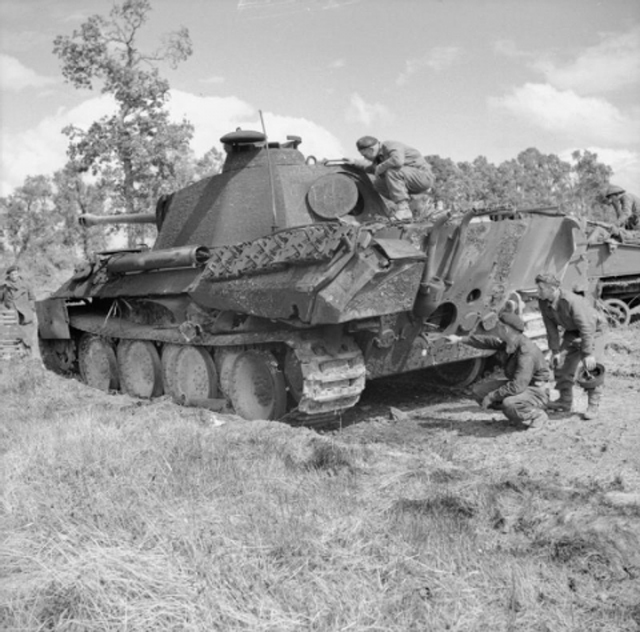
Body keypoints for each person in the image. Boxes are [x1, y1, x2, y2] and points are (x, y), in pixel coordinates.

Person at [446, 312, 551, 428]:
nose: (496, 328)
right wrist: (459, 339)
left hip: (535, 390)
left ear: (505, 329)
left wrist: (492, 396)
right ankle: (515, 413)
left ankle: (536, 414)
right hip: (522, 386)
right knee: (479, 391)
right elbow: (487, 342)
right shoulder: (510, 342)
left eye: (498, 325)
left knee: (509, 403)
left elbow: (518, 385)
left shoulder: (526, 353)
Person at [535, 272, 606, 420]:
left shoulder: (571, 301)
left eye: (541, 288)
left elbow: (587, 327)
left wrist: (587, 353)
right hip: (572, 331)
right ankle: (564, 401)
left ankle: (593, 405)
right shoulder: (543, 302)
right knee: (560, 363)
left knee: (592, 367)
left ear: (552, 288)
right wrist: (555, 351)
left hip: (594, 330)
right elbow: (551, 329)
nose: (538, 291)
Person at [352, 136, 434, 220]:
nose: (365, 158)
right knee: (378, 184)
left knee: (392, 172)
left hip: (423, 177)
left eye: (365, 155)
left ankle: (403, 209)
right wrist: (354, 162)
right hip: (409, 180)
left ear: (370, 150)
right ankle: (410, 206)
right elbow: (372, 168)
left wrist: (380, 167)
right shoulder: (379, 156)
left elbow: (397, 160)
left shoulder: (390, 145)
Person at [0, 264, 36, 354]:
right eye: (12, 275)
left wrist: (31, 308)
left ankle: (28, 353)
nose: (14, 276)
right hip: (12, 313)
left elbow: (32, 298)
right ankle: (15, 353)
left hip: (25, 313)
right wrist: (4, 310)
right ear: (9, 275)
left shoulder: (26, 284)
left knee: (27, 334)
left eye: (16, 274)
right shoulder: (4, 287)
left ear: (18, 274)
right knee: (13, 335)